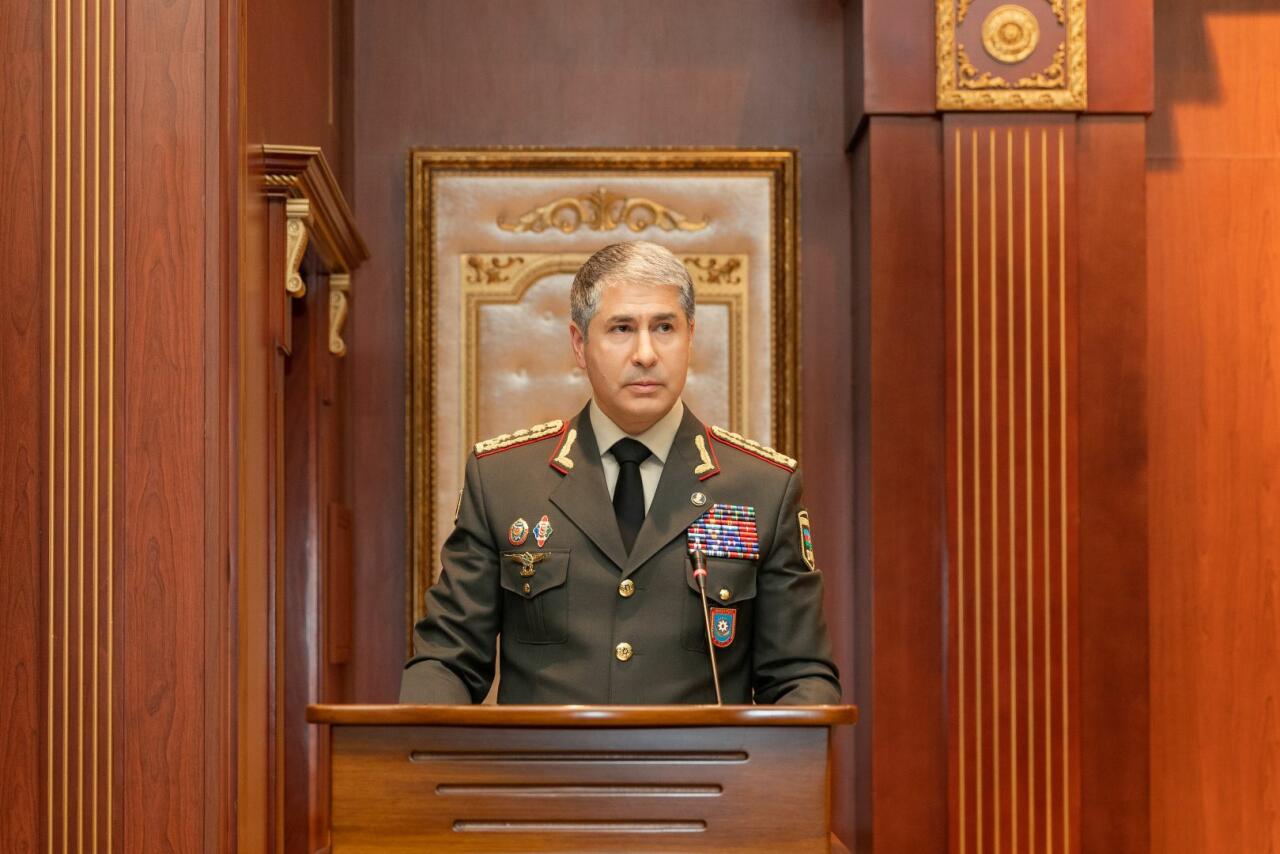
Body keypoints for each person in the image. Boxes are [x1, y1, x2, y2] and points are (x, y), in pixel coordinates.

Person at [399, 240, 841, 705]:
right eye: (622, 328)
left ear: (690, 337)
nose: (645, 353)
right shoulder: (504, 480)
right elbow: (446, 660)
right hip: (542, 755)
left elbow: (800, 679)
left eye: (665, 327)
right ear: (579, 343)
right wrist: (422, 740)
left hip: (702, 756)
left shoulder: (763, 488)